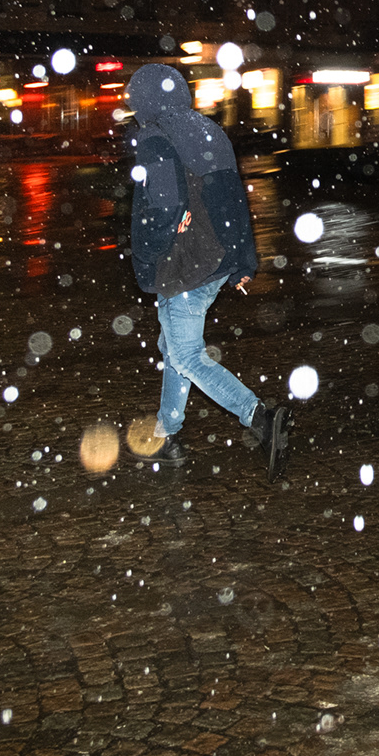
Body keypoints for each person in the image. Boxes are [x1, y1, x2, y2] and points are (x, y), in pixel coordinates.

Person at [124, 64, 290, 475]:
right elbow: (233, 200)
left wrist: (147, 251)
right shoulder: (208, 131)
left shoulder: (158, 138)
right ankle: (166, 432)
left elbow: (163, 208)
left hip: (183, 265)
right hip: (214, 260)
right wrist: (243, 259)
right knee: (173, 349)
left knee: (187, 356)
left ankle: (260, 417)